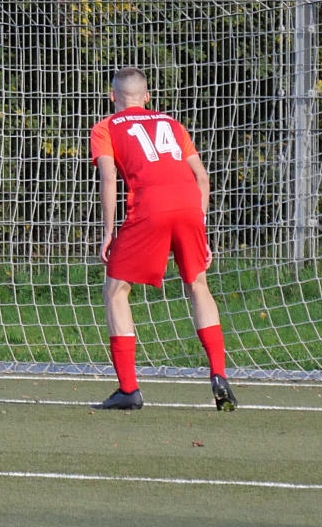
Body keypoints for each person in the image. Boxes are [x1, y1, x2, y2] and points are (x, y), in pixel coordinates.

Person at [89, 67, 236, 411]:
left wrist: (108, 232)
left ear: (112, 96)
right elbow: (202, 178)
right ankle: (219, 374)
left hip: (151, 206)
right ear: (148, 97)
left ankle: (129, 389)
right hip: (189, 205)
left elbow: (109, 178)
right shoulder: (172, 123)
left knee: (116, 289)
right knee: (198, 284)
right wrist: (200, 226)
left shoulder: (105, 127)